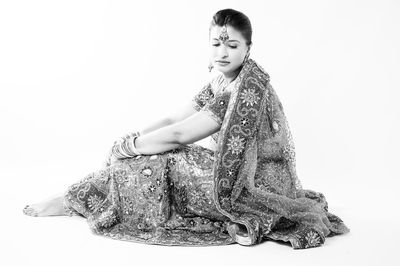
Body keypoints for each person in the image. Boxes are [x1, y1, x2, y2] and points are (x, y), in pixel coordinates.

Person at [22, 8, 350, 249]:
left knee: (161, 160)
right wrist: (129, 138)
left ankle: (71, 199)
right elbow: (174, 119)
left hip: (248, 188)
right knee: (151, 154)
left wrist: (132, 148)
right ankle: (76, 197)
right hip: (232, 172)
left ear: (248, 48)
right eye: (216, 44)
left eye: (232, 46)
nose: (222, 52)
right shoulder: (222, 79)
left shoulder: (243, 91)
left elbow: (181, 135)